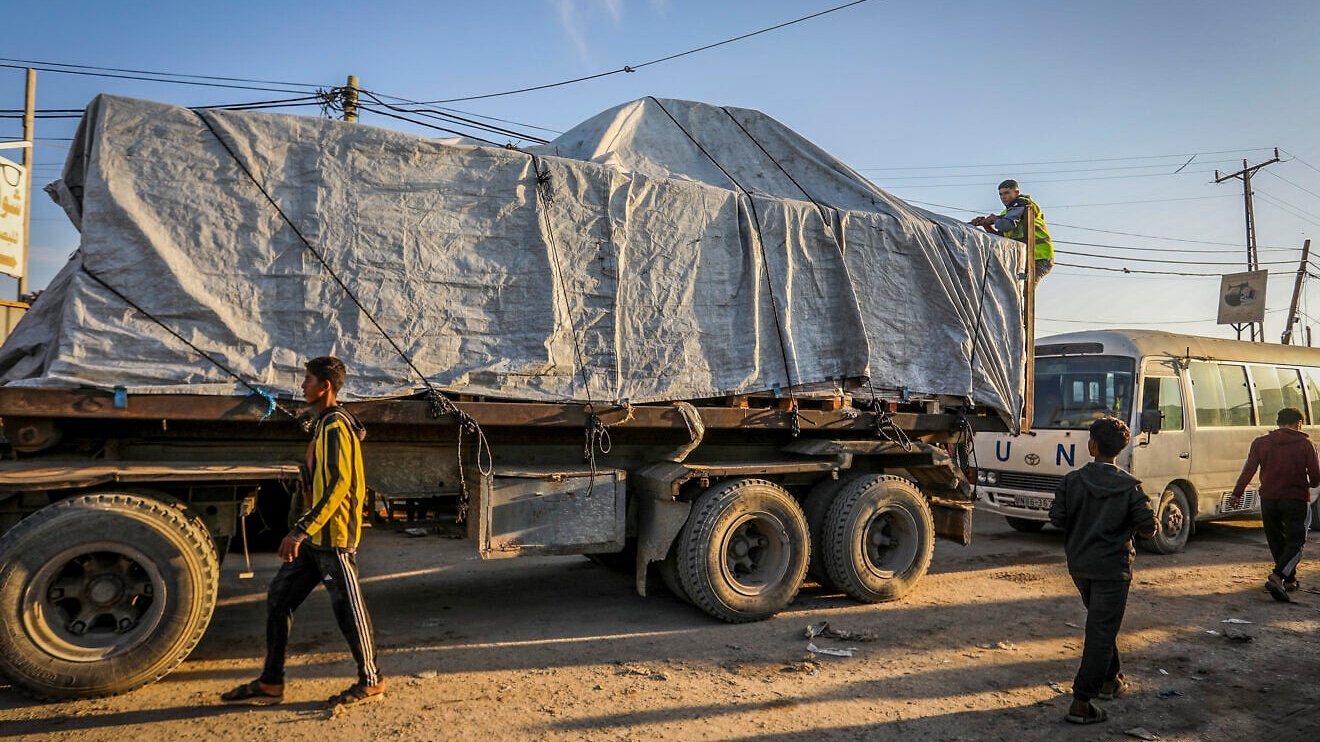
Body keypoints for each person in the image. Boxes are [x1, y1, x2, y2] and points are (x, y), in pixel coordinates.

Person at [221, 356, 384, 709]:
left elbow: (339, 485)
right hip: (316, 538)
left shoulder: (336, 427)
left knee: (349, 609)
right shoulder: (325, 424)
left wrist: (299, 531)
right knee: (279, 598)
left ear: (325, 386)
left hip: (334, 536)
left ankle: (371, 680)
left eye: (308, 379)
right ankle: (270, 682)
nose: (302, 385)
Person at [1048, 416, 1157, 725]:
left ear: (1091, 446)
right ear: (1120, 450)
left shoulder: (1071, 480)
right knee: (1101, 631)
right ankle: (1082, 702)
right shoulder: (1130, 487)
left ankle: (1110, 682)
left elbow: (1057, 518)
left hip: (1080, 566)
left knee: (1101, 626)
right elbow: (1150, 528)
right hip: (1113, 569)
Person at [1229, 406, 1319, 602]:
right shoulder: (1306, 444)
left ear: (1278, 423)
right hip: (1295, 499)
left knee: (1276, 539)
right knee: (1296, 542)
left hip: (1269, 499)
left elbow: (1248, 470)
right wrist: (1309, 481)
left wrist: (1237, 494)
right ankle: (1278, 576)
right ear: (1298, 424)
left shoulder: (1260, 443)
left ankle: (1289, 580)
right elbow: (1315, 478)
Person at [970, 179, 1055, 280]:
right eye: (1000, 194)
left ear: (1016, 193)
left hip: (1039, 257)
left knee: (1024, 287)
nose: (1003, 197)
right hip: (1023, 259)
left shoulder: (1022, 203)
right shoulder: (1006, 213)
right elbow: (1000, 238)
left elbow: (1007, 225)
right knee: (1014, 287)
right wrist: (986, 225)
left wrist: (995, 219)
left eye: (1006, 193)